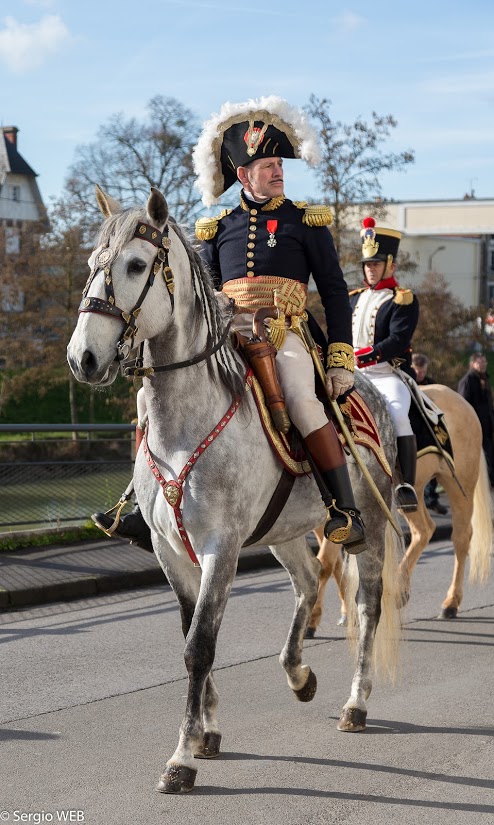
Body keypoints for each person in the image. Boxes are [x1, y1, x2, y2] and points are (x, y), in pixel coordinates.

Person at [93, 96, 365, 551]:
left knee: (300, 399)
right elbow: (199, 293)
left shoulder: (306, 222)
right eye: (269, 165)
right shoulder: (216, 229)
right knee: (151, 397)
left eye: (280, 164)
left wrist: (340, 359)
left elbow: (336, 293)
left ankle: (344, 509)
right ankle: (140, 504)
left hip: (287, 332)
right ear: (244, 174)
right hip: (225, 334)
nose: (279, 172)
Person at [350, 216, 420, 511]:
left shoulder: (402, 299)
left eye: (376, 264)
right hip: (352, 373)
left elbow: (397, 340)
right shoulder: (353, 298)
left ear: (390, 265)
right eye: (368, 265)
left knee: (396, 412)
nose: (371, 269)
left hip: (387, 373)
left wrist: (365, 355)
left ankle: (405, 484)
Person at [411, 353, 448, 515]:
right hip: (413, 430)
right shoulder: (407, 383)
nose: (421, 375)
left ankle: (431, 499)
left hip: (428, 430)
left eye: (423, 372)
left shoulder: (431, 384)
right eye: (418, 372)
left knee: (433, 468)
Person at [457, 352, 494, 486]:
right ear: (472, 364)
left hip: (487, 429)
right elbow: (463, 406)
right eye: (480, 362)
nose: (483, 364)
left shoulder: (484, 379)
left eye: (485, 362)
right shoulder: (467, 381)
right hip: (475, 430)